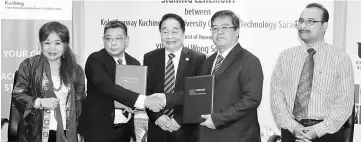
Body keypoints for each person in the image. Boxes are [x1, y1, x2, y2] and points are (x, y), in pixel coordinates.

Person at [271, 3, 355, 142]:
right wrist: (293, 126)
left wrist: (317, 130)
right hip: (292, 131)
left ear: (324, 26)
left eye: (310, 22)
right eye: (301, 21)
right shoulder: (286, 57)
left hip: (326, 134)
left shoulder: (340, 58)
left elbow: (344, 103)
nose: (303, 26)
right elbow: (277, 96)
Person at [77, 21, 164, 142]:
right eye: (109, 39)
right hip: (98, 130)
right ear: (103, 40)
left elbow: (134, 92)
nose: (113, 43)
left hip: (124, 131)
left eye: (118, 38)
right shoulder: (95, 60)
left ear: (127, 40)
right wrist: (143, 101)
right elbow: (108, 87)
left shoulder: (134, 63)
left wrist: (134, 106)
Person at [193, 10, 263, 142]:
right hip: (207, 135)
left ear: (237, 31)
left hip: (237, 136)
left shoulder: (249, 60)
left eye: (225, 27)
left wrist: (218, 119)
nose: (219, 32)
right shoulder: (207, 61)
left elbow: (251, 100)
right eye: (215, 28)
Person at [12, 21, 85, 142]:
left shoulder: (75, 70)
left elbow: (80, 101)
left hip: (67, 132)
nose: (52, 48)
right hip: (36, 131)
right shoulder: (28, 65)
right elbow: (18, 94)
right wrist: (40, 102)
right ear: (40, 44)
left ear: (65, 45)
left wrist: (79, 130)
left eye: (58, 43)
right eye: (47, 43)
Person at [144, 13, 206, 142]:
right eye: (165, 32)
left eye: (174, 31)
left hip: (185, 130)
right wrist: (157, 117)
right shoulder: (149, 58)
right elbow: (146, 93)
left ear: (183, 34)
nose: (169, 36)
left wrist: (179, 120)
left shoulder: (198, 59)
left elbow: (199, 96)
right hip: (157, 129)